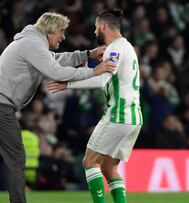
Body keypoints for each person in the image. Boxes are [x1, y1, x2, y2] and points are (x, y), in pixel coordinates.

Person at [0, 12, 115, 203]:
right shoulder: (33, 44)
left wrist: (87, 54)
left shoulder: (32, 42)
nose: (63, 37)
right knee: (16, 158)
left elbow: (54, 60)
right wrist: (93, 71)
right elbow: (56, 71)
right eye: (61, 32)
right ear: (50, 32)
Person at [47, 8, 142, 203]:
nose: (94, 32)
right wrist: (87, 70)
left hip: (118, 115)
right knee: (109, 167)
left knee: (90, 162)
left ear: (104, 26)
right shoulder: (128, 47)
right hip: (134, 118)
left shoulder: (115, 48)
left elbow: (101, 80)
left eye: (96, 28)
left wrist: (68, 84)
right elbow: (108, 79)